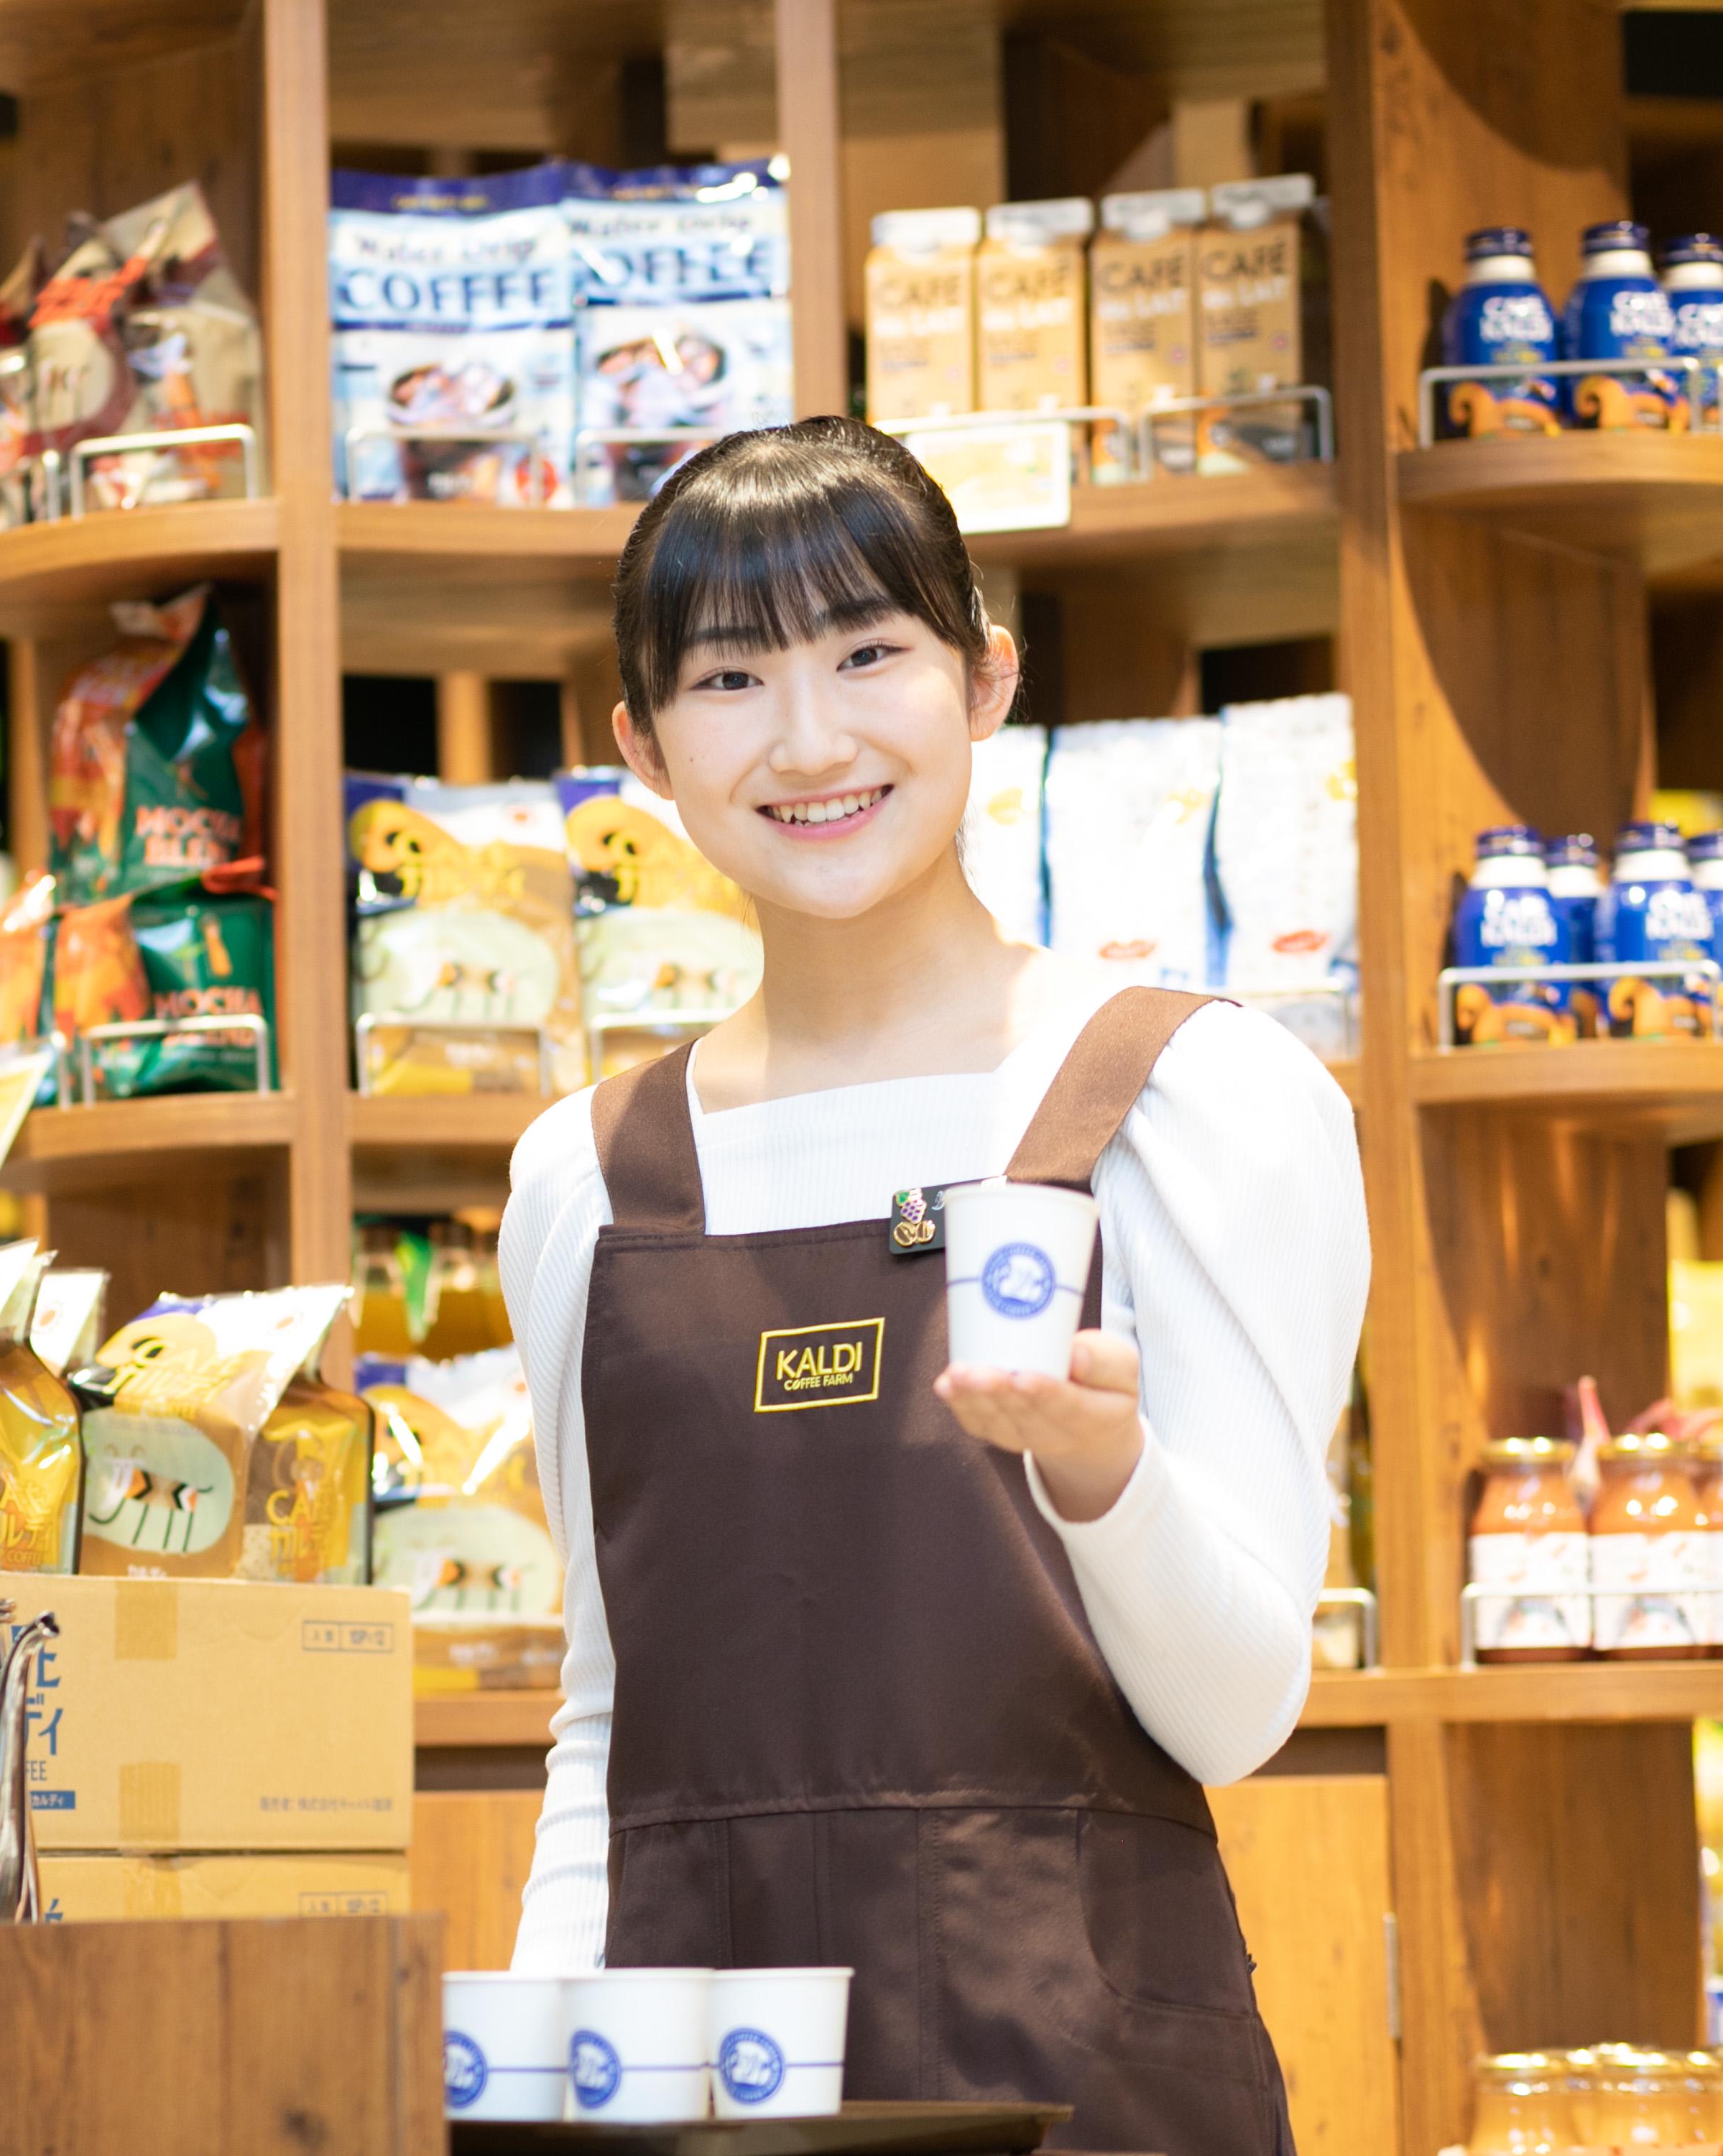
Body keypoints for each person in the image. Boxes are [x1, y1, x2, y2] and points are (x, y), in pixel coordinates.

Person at [500, 417, 1365, 2155]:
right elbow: (609, 1727)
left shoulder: (1192, 1095)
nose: (810, 739)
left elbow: (1241, 1711)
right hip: (694, 2098)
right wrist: (536, 2095)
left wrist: (1102, 1477)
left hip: (1092, 2086)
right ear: (642, 750)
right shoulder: (586, 1176)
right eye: (732, 677)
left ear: (985, 680)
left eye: (870, 652)